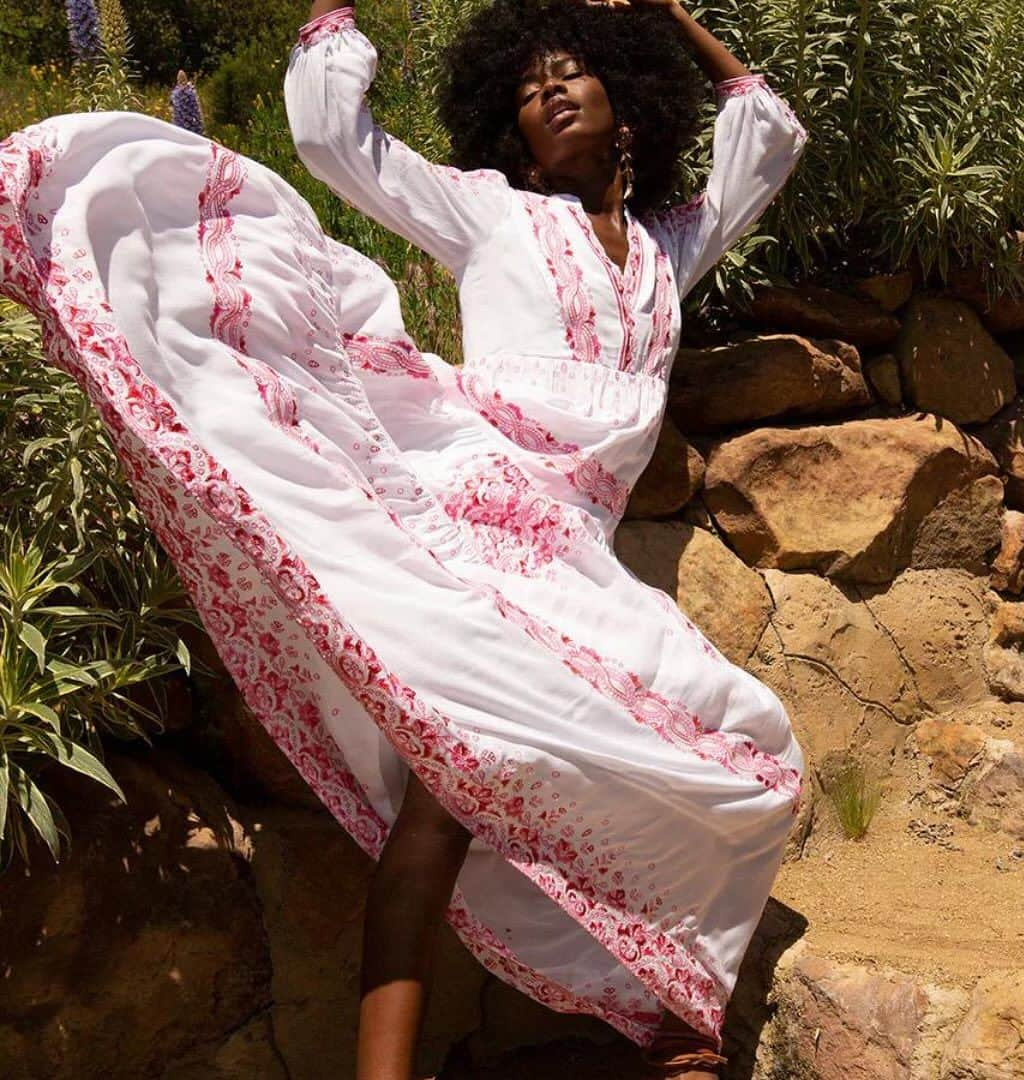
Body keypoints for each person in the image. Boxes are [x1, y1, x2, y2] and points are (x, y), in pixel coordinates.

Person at [0, 0, 807, 1076]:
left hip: (573, 546)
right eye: (524, 90)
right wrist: (339, 15)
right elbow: (337, 137)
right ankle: (654, 1030)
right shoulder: (487, 213)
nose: (549, 93)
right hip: (473, 515)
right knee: (461, 792)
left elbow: (772, 135)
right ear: (504, 129)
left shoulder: (670, 248)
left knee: (718, 752)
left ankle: (662, 1015)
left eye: (572, 73)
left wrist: (666, 15)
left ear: (629, 99)